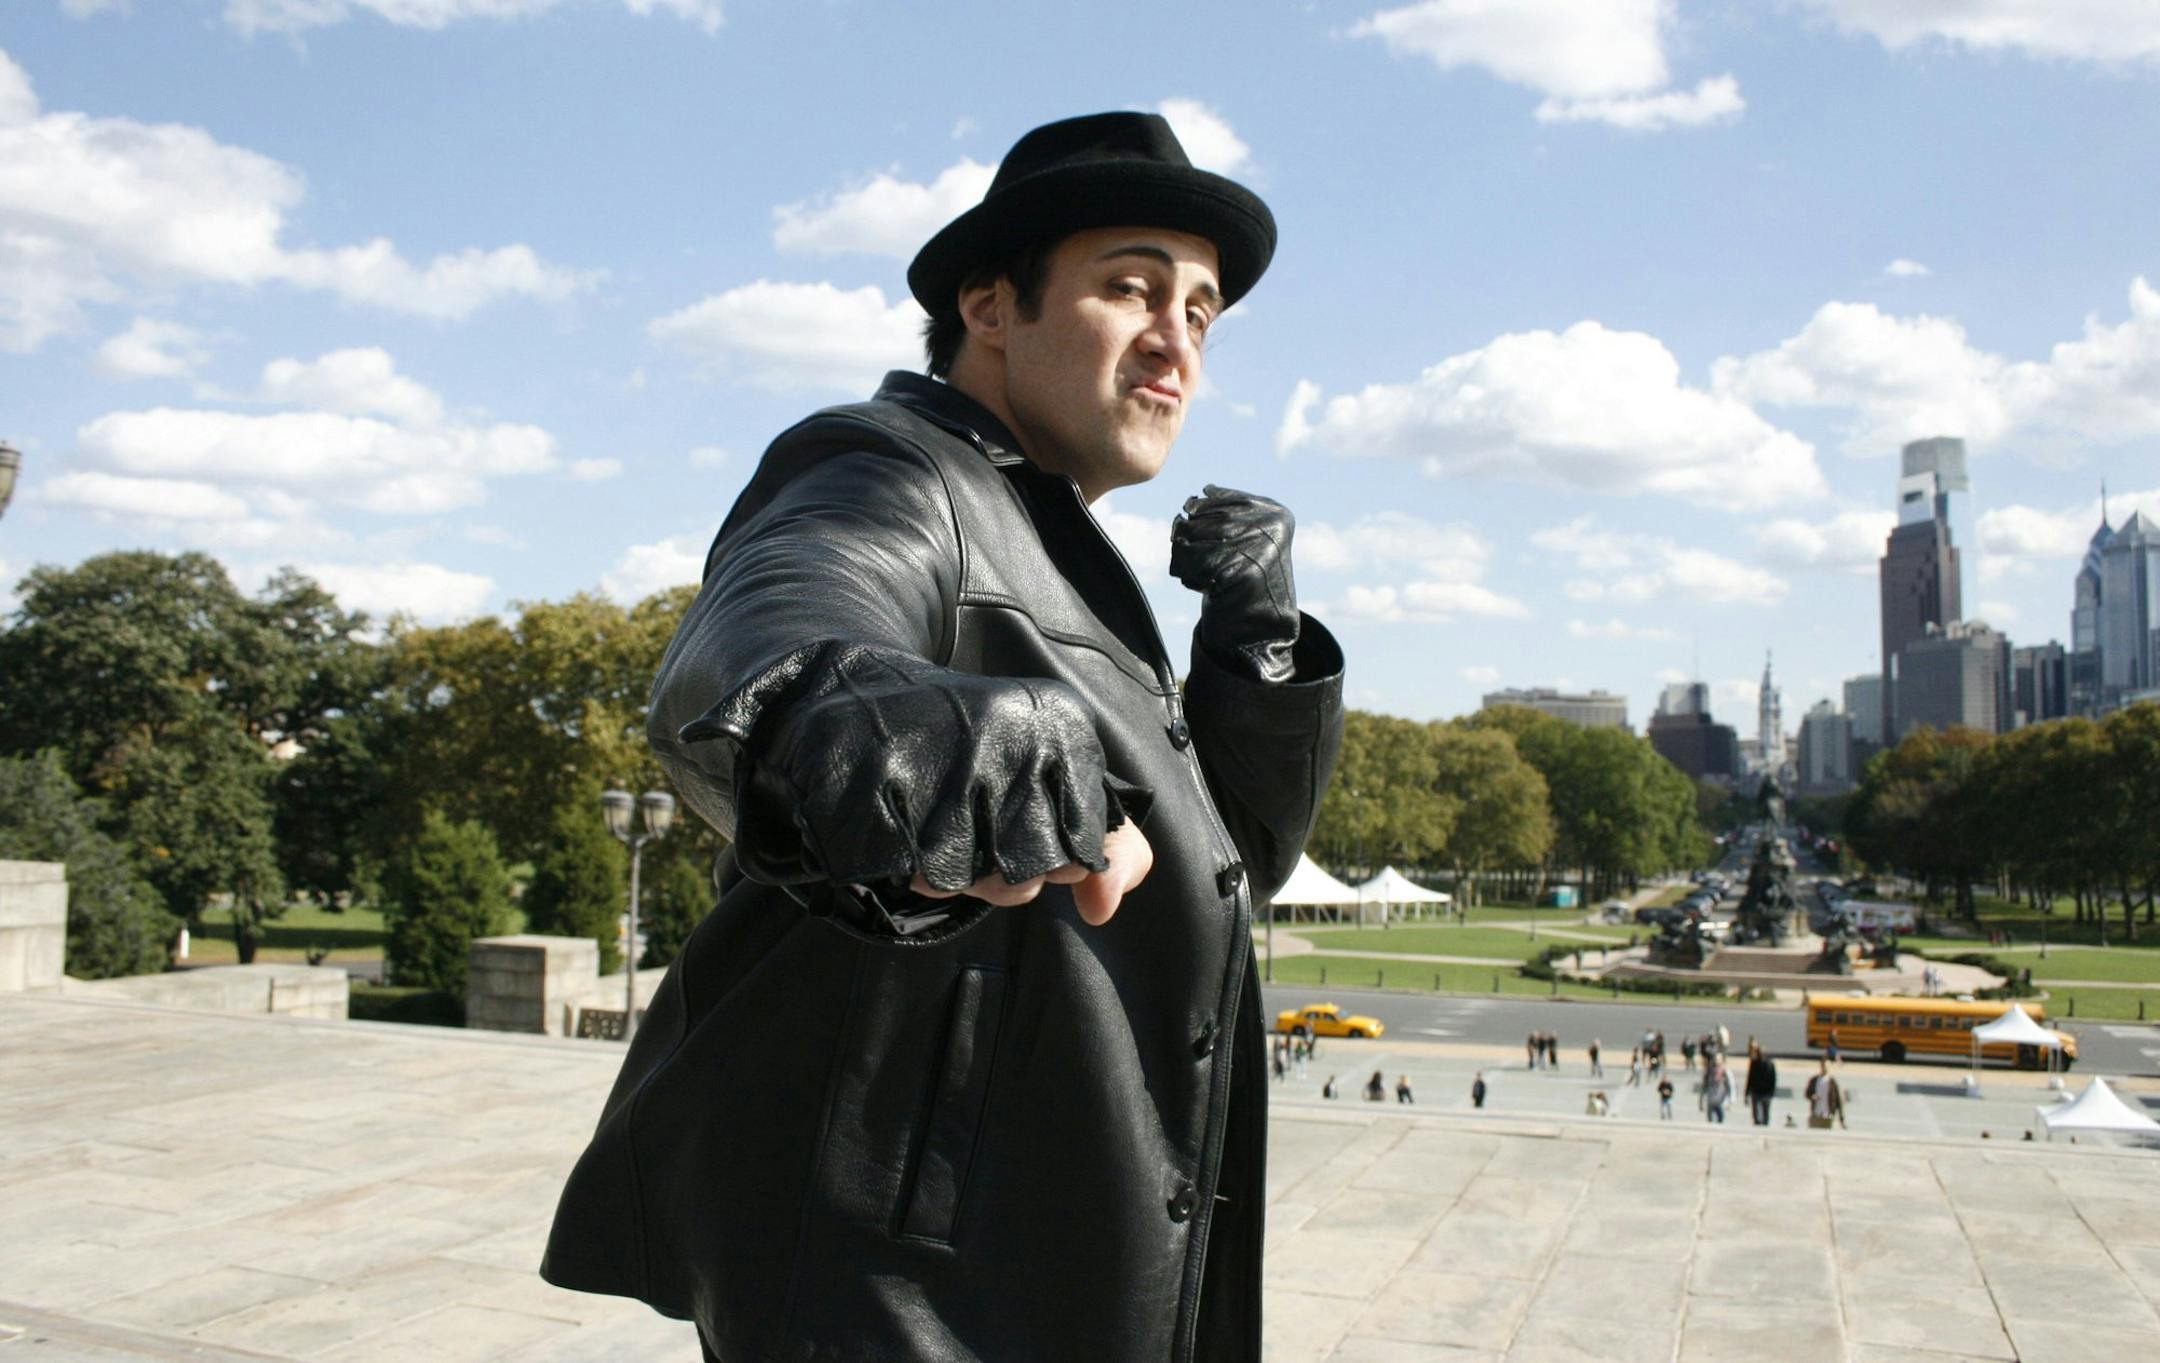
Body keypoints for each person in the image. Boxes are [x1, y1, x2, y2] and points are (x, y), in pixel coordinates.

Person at [542, 112, 1342, 1363]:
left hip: (1049, 1259)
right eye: (1130, 288)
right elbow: (772, 636)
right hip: (907, 1294)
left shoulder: (1062, 553)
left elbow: (1231, 860)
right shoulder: (888, 470)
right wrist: (899, 721)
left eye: (1200, 313)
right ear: (989, 304)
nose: (1173, 344)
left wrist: (1257, 644)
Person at [1745, 1042, 1779, 1127]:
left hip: (1766, 1092)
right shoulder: (1754, 1063)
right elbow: (1750, 1077)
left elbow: (1773, 1079)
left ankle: (1765, 1125)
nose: (1759, 1055)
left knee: (1766, 1112)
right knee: (1756, 1113)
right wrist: (1747, 1092)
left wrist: (1772, 1092)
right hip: (1756, 1091)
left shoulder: (1770, 1064)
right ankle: (1757, 1124)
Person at [1805, 1060, 1845, 1130]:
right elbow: (1807, 1093)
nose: (1825, 1068)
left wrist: (1841, 1118)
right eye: (1823, 1066)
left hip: (1828, 1115)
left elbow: (1838, 1100)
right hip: (1816, 1114)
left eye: (1826, 1067)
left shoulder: (1832, 1082)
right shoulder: (1814, 1080)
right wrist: (1812, 1097)